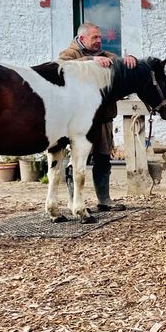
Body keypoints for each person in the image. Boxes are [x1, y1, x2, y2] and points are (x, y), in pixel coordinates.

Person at [58, 23, 137, 211]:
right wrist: (91, 60)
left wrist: (130, 59)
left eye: (100, 37)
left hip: (102, 118)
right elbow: (61, 67)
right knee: (77, 160)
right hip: (78, 121)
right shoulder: (69, 54)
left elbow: (119, 61)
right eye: (95, 37)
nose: (99, 40)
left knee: (103, 158)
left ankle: (104, 200)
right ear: (82, 38)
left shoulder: (105, 55)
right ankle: (74, 202)